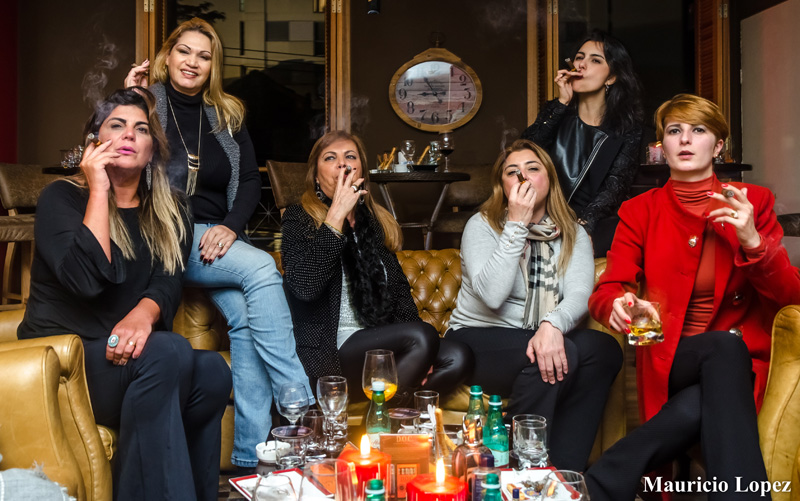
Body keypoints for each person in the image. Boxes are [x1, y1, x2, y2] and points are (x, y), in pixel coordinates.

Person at [17, 88, 231, 500]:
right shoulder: (61, 198)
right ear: (94, 143)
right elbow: (85, 280)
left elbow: (168, 279)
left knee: (212, 371)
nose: (130, 134)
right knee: (168, 351)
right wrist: (99, 189)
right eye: (116, 125)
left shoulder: (171, 209)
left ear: (152, 151)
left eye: (141, 129)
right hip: (62, 360)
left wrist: (142, 314)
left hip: (129, 360)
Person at [584, 94, 800, 500]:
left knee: (706, 384)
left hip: (739, 365)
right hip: (673, 357)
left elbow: (791, 297)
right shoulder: (640, 210)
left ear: (718, 146)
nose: (685, 139)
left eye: (698, 130)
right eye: (674, 131)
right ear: (662, 146)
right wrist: (618, 305)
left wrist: (753, 241)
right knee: (722, 347)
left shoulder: (754, 202)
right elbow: (610, 287)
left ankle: (596, 485)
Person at [125, 18, 313, 470]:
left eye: (204, 56)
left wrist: (230, 226)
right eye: (184, 51)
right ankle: (303, 407)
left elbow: (248, 180)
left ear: (214, 66)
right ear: (168, 56)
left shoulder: (227, 113)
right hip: (168, 233)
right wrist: (129, 99)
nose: (192, 62)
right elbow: (117, 149)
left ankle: (250, 457)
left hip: (217, 235)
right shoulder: (146, 103)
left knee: (246, 319)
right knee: (263, 267)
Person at [445, 139, 622, 471]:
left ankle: (564, 471)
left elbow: (579, 295)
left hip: (537, 334)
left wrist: (551, 325)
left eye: (532, 169)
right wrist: (516, 224)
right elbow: (492, 296)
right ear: (502, 185)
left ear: (549, 179)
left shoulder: (572, 233)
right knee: (561, 352)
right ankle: (518, 464)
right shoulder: (481, 226)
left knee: (604, 349)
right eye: (512, 172)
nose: (522, 177)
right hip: (477, 339)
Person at [280, 130, 473, 403]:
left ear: (361, 171)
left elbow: (400, 296)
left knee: (458, 356)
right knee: (421, 338)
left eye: (350, 157)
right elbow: (304, 287)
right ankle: (383, 420)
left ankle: (391, 412)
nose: (342, 164)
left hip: (378, 340)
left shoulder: (373, 221)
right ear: (316, 176)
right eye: (330, 158)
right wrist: (335, 217)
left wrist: (425, 352)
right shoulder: (298, 218)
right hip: (333, 350)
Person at [522, 30, 643, 256]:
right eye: (579, 57)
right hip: (544, 217)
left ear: (611, 77)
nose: (581, 65)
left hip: (595, 220)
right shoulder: (556, 111)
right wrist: (561, 103)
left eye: (595, 60)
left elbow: (615, 185)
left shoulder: (626, 127)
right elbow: (524, 153)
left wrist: (584, 225)